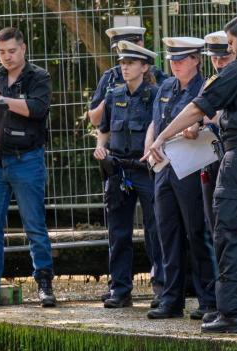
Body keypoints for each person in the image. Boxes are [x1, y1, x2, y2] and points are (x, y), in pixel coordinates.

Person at [147, 15, 237, 333]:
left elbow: (198, 107)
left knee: (229, 234)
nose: (228, 49)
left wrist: (161, 136)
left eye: (229, 43)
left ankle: (231, 313)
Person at [0, 27, 56, 308]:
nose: (7, 57)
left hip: (27, 160)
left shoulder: (38, 77)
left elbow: (37, 109)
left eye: (12, 51)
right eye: (2, 52)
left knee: (34, 226)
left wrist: (2, 100)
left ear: (24, 48)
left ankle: (44, 284)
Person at [143, 36, 218, 321]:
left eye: (181, 59)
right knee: (168, 234)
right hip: (164, 168)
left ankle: (208, 299)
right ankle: (171, 298)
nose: (175, 64)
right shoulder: (165, 87)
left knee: (197, 233)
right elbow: (156, 122)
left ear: (196, 59)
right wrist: (150, 144)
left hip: (193, 168)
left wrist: (198, 125)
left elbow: (211, 120)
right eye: (172, 59)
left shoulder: (206, 87)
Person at [93, 41, 164, 309]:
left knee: (155, 231)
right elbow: (104, 127)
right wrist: (100, 148)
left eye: (130, 63)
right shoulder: (113, 94)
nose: (124, 67)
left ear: (144, 67)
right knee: (118, 232)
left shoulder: (157, 95)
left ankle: (161, 288)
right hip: (118, 169)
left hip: (146, 169)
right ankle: (120, 289)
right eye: (122, 63)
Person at [88, 26, 166, 128]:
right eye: (118, 48)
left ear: (140, 45)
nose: (121, 52)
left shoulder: (157, 75)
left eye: (126, 47)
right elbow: (95, 120)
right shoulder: (111, 77)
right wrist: (111, 97)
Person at [197, 30, 236, 231]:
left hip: (234, 158)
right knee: (213, 224)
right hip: (210, 158)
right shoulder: (209, 83)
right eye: (214, 58)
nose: (219, 63)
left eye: (224, 58)